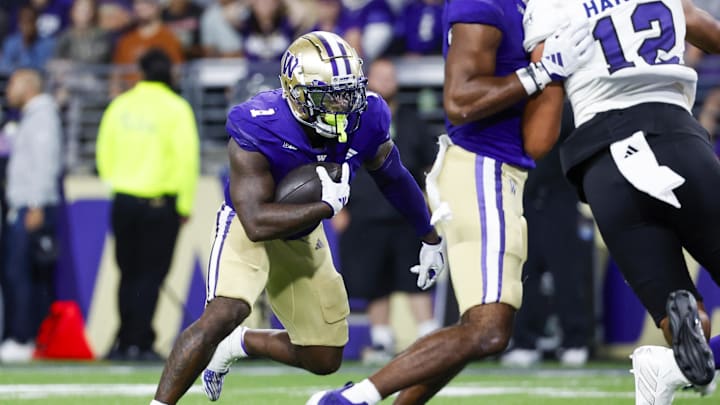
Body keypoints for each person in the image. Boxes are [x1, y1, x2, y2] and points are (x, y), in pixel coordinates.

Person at [306, 0, 596, 403]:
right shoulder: (483, 3)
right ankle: (350, 399)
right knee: (488, 328)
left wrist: (554, 75)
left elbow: (536, 143)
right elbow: (459, 102)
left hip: (504, 173)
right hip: (481, 169)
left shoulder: (525, 8)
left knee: (480, 330)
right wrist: (541, 71)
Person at [149, 31, 447, 405]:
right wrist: (324, 206)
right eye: (331, 94)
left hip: (302, 234)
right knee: (225, 312)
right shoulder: (259, 122)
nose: (343, 104)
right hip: (248, 225)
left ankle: (238, 343)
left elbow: (394, 175)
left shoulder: (367, 115)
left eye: (349, 91)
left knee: (324, 357)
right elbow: (255, 221)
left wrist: (428, 234)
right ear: (296, 93)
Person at [521, 0, 720, 403]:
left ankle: (682, 352)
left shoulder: (549, 6)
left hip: (603, 166)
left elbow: (540, 141)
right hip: (673, 138)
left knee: (676, 314)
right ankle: (684, 363)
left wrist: (541, 74)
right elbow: (711, 35)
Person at [96, 48, 199, 362]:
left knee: (126, 272)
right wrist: (183, 204)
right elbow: (186, 158)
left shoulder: (120, 105)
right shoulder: (177, 108)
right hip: (159, 204)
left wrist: (116, 182)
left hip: (124, 201)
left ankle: (123, 340)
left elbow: (103, 151)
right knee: (151, 274)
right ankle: (140, 342)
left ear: (140, 72)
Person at [336, 57, 440, 365]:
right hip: (364, 213)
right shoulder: (353, 120)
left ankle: (428, 336)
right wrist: (338, 208)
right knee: (373, 281)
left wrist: (428, 196)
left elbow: (430, 163)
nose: (387, 81)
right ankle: (381, 340)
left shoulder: (412, 120)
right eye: (380, 75)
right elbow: (336, 164)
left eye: (391, 75)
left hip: (406, 214)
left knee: (415, 276)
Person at [500, 101, 594, 368]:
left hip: (559, 197)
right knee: (524, 274)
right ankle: (525, 340)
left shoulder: (564, 105)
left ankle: (575, 340)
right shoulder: (516, 104)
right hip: (522, 199)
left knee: (567, 274)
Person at [0, 68, 62, 363]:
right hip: (25, 204)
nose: (8, 89)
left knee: (20, 273)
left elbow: (45, 161)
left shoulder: (42, 116)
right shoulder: (30, 116)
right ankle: (23, 336)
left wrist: (36, 203)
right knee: (19, 273)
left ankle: (23, 337)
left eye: (12, 82)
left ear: (28, 86)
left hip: (30, 204)